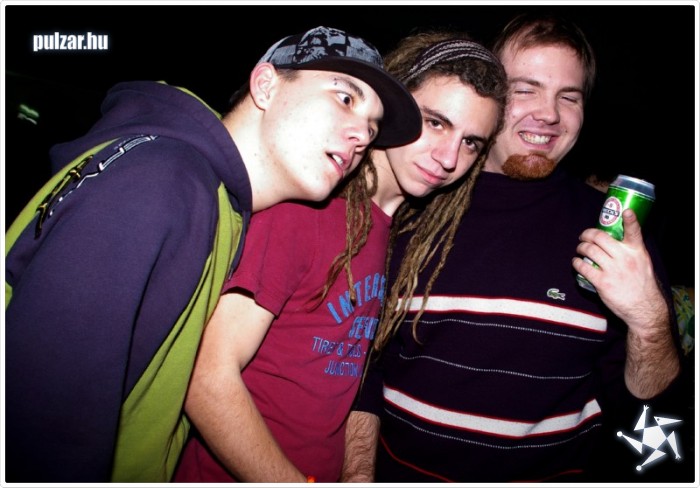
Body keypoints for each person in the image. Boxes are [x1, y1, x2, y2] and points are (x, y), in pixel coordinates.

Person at [3, 26, 423, 483]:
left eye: (372, 128)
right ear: (266, 85)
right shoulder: (161, 181)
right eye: (345, 98)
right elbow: (41, 421)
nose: (361, 136)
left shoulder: (218, 205)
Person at [343, 14, 685, 483]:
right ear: (492, 96)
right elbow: (358, 369)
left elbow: (645, 413)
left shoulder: (614, 230)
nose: (549, 114)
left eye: (569, 96)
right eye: (526, 89)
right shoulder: (412, 202)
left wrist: (649, 320)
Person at [171, 31, 508, 483]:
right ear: (394, 109)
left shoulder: (398, 236)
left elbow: (345, 386)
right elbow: (206, 377)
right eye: (435, 122)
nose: (449, 157)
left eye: (471, 143)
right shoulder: (306, 207)